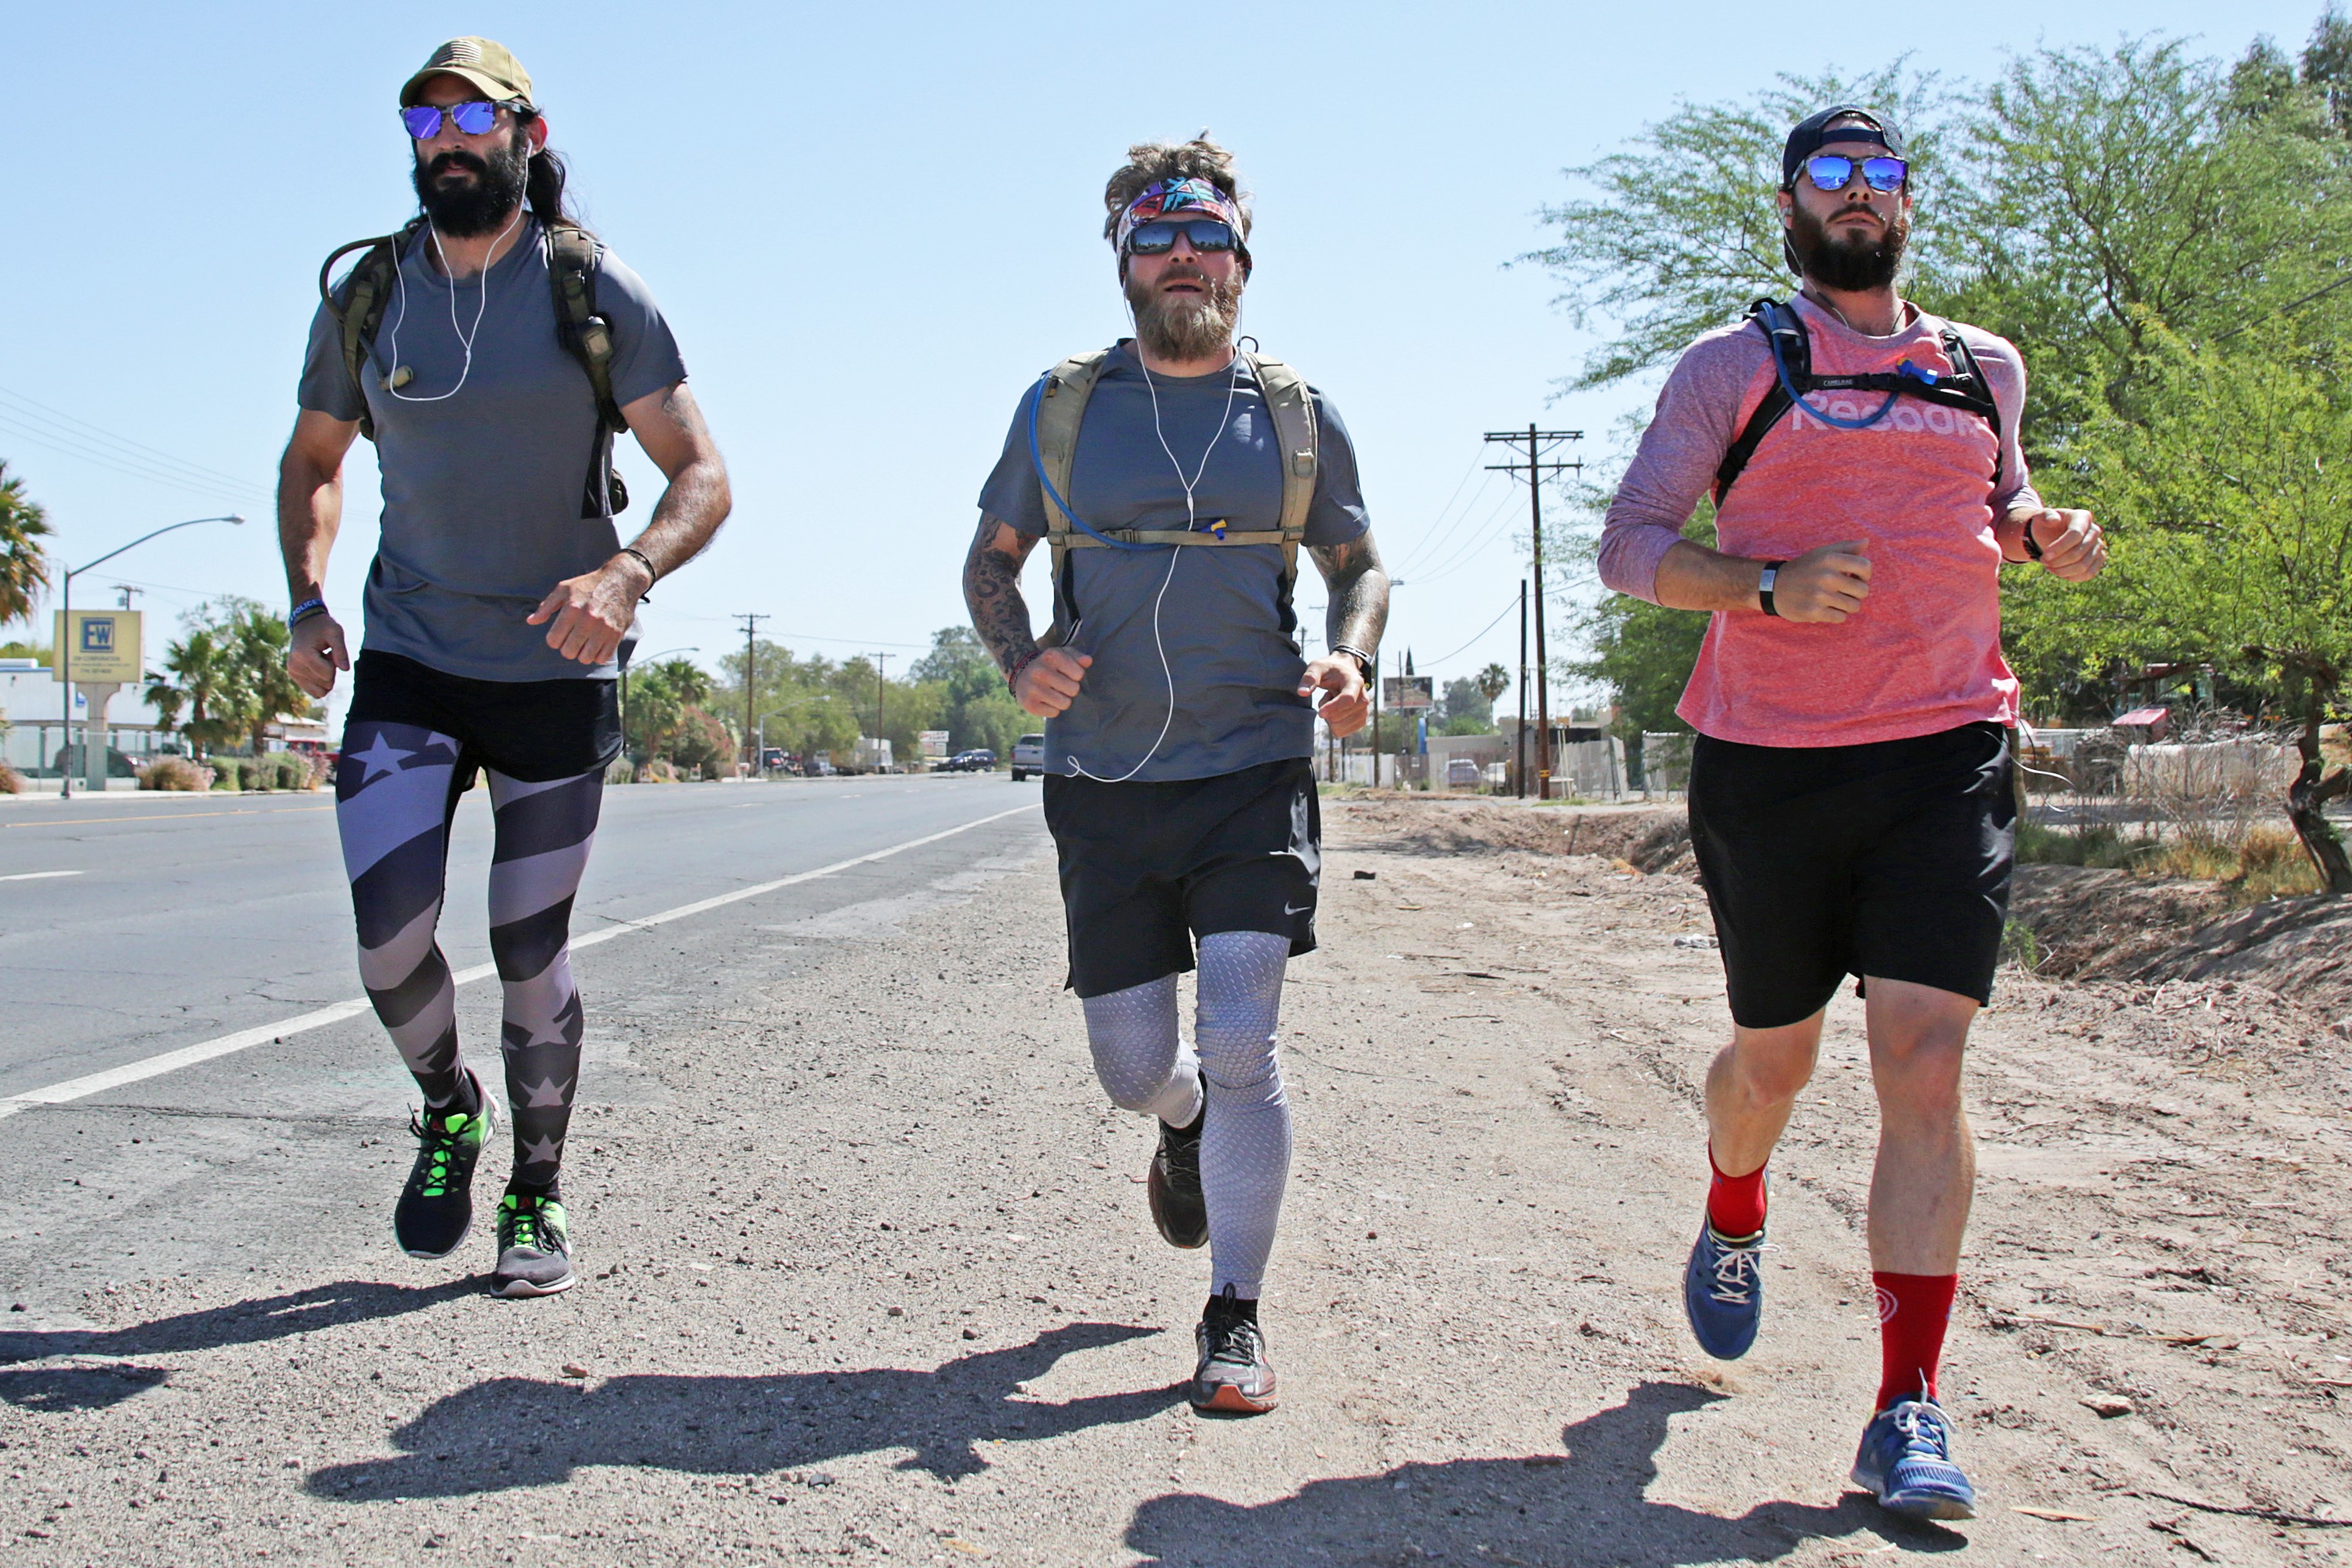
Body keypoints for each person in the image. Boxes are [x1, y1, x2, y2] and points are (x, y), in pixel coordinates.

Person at [1598, 106, 2105, 1519]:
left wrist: (2046, 539)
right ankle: (1736, 1193)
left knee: (1925, 1055)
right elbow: (1629, 548)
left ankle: (1906, 1408)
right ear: (1787, 208)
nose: (1860, 198)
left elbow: (1998, 506)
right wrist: (1760, 587)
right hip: (1772, 761)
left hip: (1946, 750)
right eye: (1832, 177)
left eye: (1883, 178)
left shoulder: (1979, 366)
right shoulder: (1733, 367)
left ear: (1907, 205)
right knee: (1774, 1063)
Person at [279, 38, 730, 1297]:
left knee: (527, 948)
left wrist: (627, 574)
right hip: (411, 658)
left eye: (473, 117)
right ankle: (449, 1108)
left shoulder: (594, 292)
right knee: (388, 943)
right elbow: (315, 463)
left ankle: (537, 1193)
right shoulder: (370, 298)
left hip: (556, 667)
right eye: (425, 122)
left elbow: (704, 473)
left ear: (526, 137)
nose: (448, 140)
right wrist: (307, 600)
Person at [963, 137, 1388, 1413]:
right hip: (1104, 779)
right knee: (1135, 1064)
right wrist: (1018, 654)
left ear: (1242, 264)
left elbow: (1360, 565)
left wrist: (1351, 657)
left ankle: (1237, 1316)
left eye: (1206, 237)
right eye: (1157, 240)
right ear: (1124, 263)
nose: (1183, 257)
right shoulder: (1062, 409)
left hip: (1252, 765)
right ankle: (1181, 1119)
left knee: (1248, 1035)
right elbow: (989, 563)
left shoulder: (1299, 417)